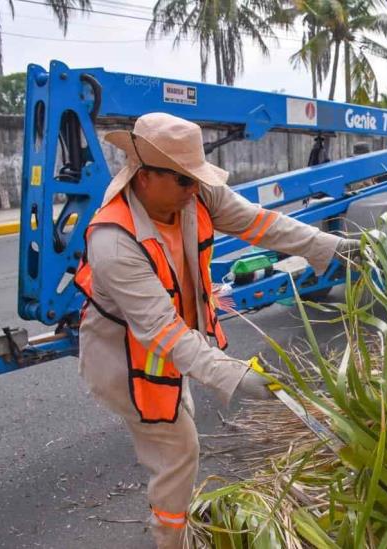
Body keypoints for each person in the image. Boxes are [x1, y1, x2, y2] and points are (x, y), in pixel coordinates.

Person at [74, 112, 359, 548]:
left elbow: (261, 223)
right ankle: (172, 539)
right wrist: (238, 377)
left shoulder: (196, 194)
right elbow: (163, 334)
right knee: (178, 450)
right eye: (184, 181)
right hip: (128, 360)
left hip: (171, 345)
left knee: (178, 420)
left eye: (197, 179)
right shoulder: (113, 241)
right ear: (145, 176)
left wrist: (331, 247)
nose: (196, 190)